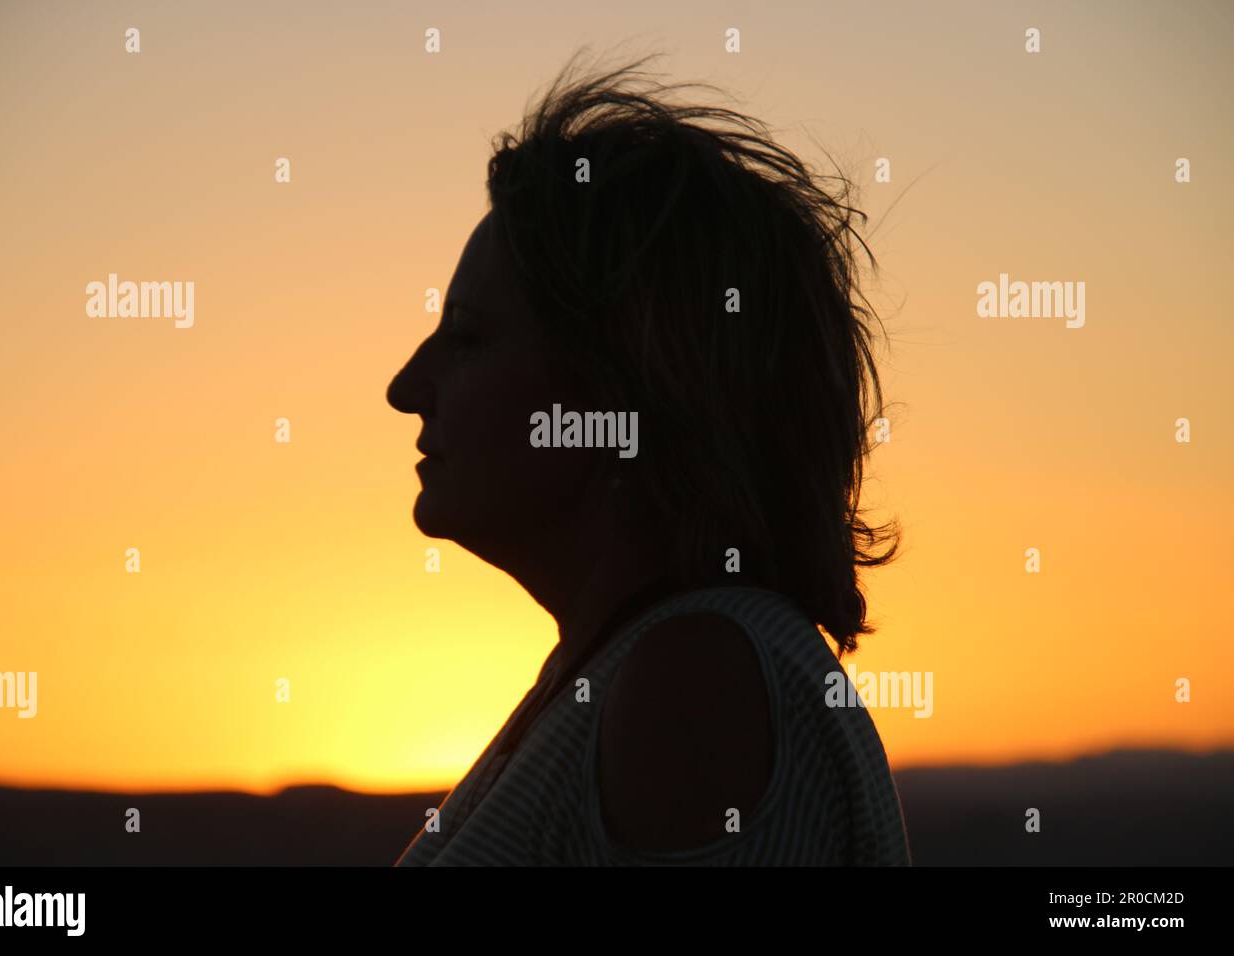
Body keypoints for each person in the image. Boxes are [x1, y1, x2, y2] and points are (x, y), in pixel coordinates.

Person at [386, 50, 910, 865]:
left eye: (470, 337)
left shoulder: (694, 682)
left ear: (625, 381)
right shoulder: (638, 662)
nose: (406, 386)